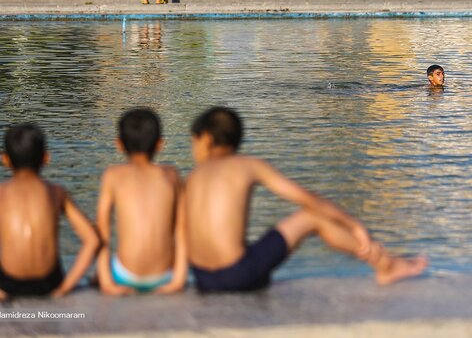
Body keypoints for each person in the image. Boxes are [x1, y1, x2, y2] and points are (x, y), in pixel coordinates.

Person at [185, 107, 427, 292]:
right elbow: (307, 199)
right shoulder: (247, 165)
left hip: (203, 279)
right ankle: (386, 265)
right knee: (312, 217)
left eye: (192, 142)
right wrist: (355, 225)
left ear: (206, 139)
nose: (193, 149)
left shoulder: (193, 176)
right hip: (236, 275)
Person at [0, 124, 100, 300]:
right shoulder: (56, 192)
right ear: (46, 158)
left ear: (5, 159)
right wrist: (66, 287)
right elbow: (92, 240)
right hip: (49, 282)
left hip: (7, 283)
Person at [96, 108, 186, 295]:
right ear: (160, 144)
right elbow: (182, 230)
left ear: (119, 144)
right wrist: (178, 280)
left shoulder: (113, 176)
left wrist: (106, 283)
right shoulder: (171, 175)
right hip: (164, 274)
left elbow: (103, 231)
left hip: (125, 275)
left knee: (93, 279)